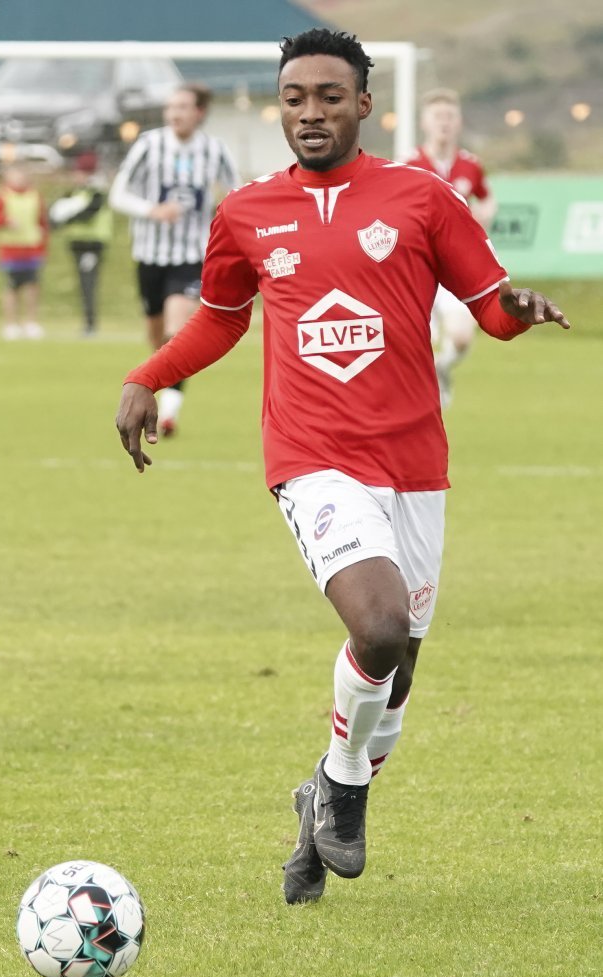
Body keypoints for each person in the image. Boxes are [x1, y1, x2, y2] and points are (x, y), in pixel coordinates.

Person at [115, 30, 569, 905]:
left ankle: (320, 793)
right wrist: (149, 375)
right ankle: (345, 788)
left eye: (329, 96)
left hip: (414, 462)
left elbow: (489, 305)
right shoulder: (246, 211)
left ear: (364, 103)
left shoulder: (421, 197)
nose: (311, 112)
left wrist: (517, 308)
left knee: (397, 672)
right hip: (312, 456)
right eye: (295, 98)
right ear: (278, 108)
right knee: (380, 625)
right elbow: (221, 316)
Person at [109, 83, 240, 436]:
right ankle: (161, 389)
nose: (174, 113)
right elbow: (118, 194)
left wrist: (227, 221)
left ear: (199, 112)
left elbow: (238, 194)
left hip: (192, 255)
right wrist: (151, 210)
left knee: (176, 332)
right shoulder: (149, 145)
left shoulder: (215, 150)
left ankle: (169, 412)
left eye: (182, 106)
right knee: (158, 339)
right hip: (150, 255)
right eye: (170, 107)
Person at [406, 89, 498, 406]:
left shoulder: (470, 164)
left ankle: (442, 368)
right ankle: (415, 400)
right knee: (418, 339)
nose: (443, 123)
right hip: (418, 266)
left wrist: (485, 215)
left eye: (449, 116)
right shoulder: (409, 164)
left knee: (460, 337)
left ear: (458, 122)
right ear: (424, 122)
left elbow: (487, 197)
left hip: (457, 264)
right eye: (437, 116)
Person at [49, 151, 113, 336]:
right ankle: (88, 322)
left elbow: (87, 214)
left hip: (92, 245)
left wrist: (67, 219)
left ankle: (90, 324)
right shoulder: (75, 193)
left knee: (88, 282)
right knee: (83, 283)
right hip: (77, 243)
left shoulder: (96, 193)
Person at [0, 160, 48, 340]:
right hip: (10, 249)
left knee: (32, 286)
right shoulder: (3, 196)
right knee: (12, 287)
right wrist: (5, 221)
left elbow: (42, 223)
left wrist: (44, 246)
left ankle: (31, 322)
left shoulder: (35, 196)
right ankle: (11, 324)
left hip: (32, 248)